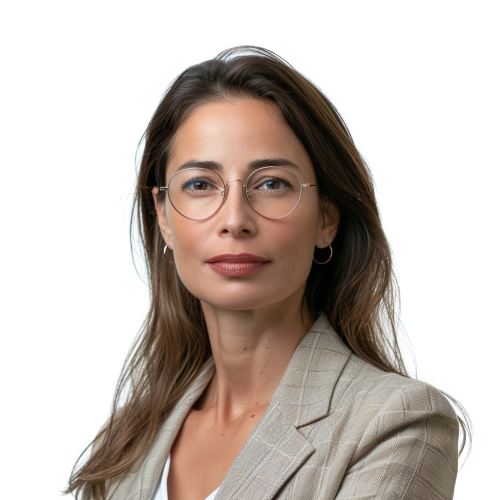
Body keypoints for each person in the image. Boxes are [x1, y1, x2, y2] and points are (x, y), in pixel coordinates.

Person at [66, 46, 468, 500]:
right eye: (200, 184)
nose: (234, 219)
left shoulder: (397, 423)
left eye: (272, 183)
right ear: (164, 217)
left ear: (326, 217)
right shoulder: (127, 442)